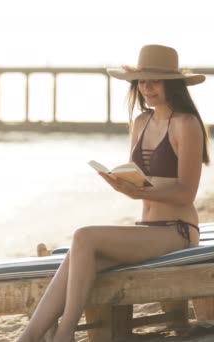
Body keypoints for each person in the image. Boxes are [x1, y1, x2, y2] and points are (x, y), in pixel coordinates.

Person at [18, 44, 210, 342]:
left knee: (84, 236)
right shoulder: (141, 122)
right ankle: (29, 338)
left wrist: (136, 194)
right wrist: (125, 185)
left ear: (172, 83)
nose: (147, 87)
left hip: (178, 231)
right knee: (78, 260)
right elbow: (140, 180)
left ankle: (65, 332)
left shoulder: (186, 124)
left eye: (154, 81)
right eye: (142, 80)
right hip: (147, 231)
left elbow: (186, 193)